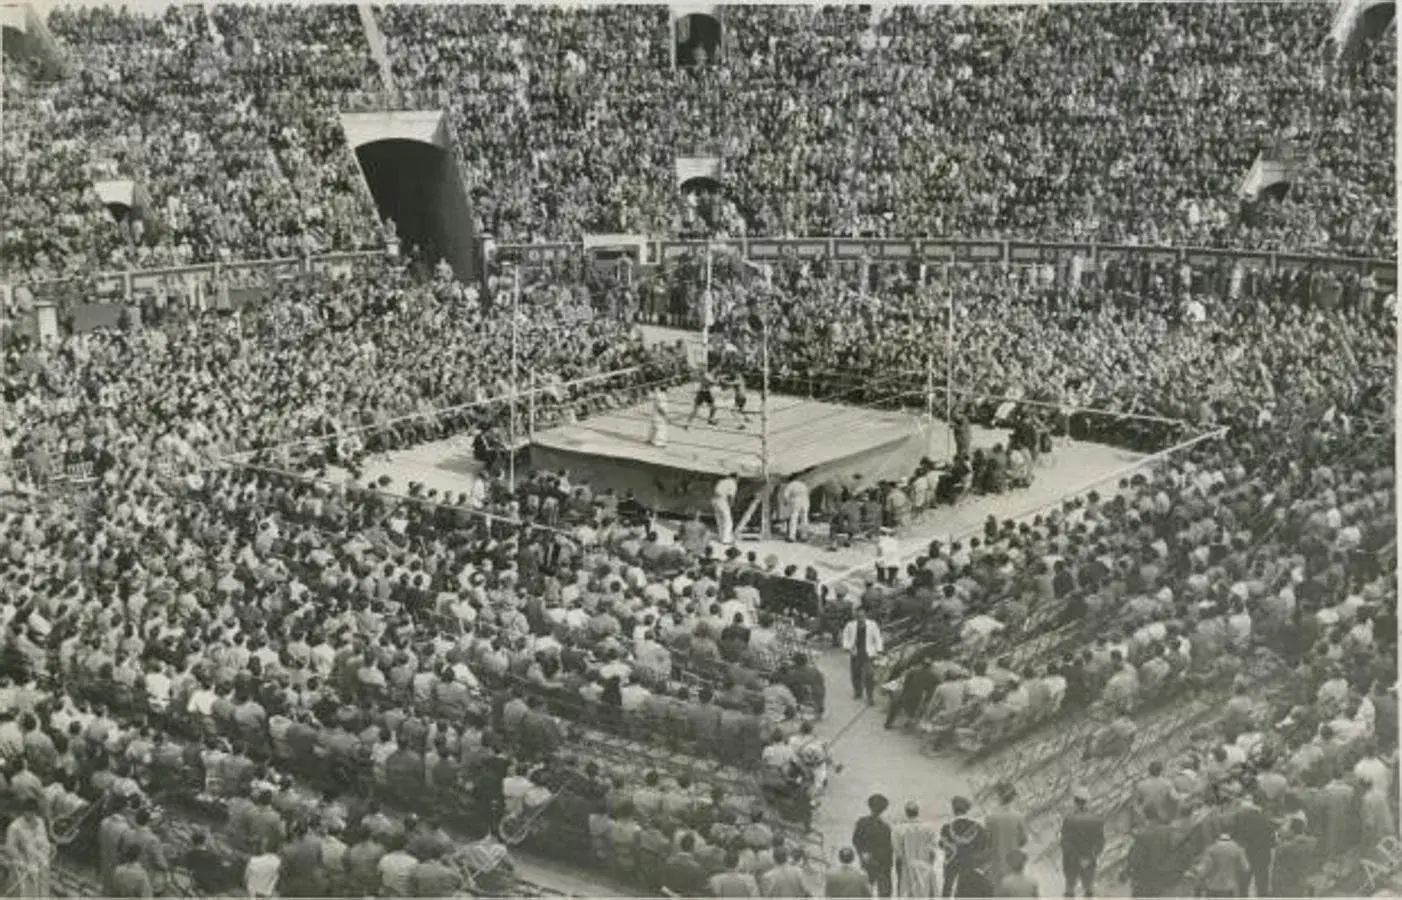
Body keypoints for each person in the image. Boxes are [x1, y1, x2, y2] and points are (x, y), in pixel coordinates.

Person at [940, 796, 990, 898]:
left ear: (953, 810)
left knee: (947, 890)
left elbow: (942, 845)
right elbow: (984, 847)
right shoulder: (978, 827)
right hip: (971, 868)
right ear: (967, 810)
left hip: (952, 867)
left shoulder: (946, 828)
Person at [1059, 787, 1104, 899]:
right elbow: (1100, 843)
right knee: (1089, 891)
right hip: (1089, 861)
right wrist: (1090, 857)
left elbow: (1065, 843)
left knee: (1069, 890)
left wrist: (1076, 857)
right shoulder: (1097, 820)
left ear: (1075, 802)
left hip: (1071, 861)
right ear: (1087, 802)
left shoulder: (1069, 819)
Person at [4, 796, 51, 898]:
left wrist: (44, 852)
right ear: (23, 811)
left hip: (40, 864)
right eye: (28, 811)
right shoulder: (15, 827)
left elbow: (45, 842)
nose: (30, 815)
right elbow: (10, 848)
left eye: (33, 812)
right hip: (22, 865)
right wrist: (24, 862)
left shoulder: (40, 822)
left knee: (43, 891)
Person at [892, 800, 940, 898]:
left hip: (907, 866)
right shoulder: (928, 828)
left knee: (908, 893)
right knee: (925, 892)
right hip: (924, 865)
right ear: (917, 812)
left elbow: (898, 852)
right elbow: (933, 850)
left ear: (906, 813)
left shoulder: (899, 829)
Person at [985, 782, 1028, 889]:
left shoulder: (990, 818)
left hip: (996, 862)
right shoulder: (1019, 817)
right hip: (1013, 862)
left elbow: (987, 841)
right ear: (1012, 798)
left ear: (999, 798)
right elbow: (1024, 840)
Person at [1125, 808, 1176, 898]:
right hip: (1161, 879)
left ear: (1147, 818)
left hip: (1144, 880)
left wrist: (1128, 870)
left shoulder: (1144, 835)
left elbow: (1135, 859)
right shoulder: (1169, 832)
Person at [853, 793, 895, 898]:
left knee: (866, 890)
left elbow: (856, 840)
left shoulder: (862, 823)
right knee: (884, 892)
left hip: (868, 860)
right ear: (884, 809)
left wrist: (862, 853)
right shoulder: (885, 827)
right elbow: (889, 848)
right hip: (882, 863)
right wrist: (889, 865)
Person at [841, 607, 884, 704]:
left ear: (865, 615)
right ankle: (858, 692)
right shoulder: (850, 625)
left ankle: (870, 696)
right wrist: (847, 646)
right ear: (855, 616)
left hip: (868, 653)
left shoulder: (872, 625)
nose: (860, 618)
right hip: (856, 653)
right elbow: (845, 636)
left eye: (862, 616)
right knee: (855, 674)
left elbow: (878, 637)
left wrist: (879, 650)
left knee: (869, 675)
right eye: (858, 616)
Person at [1269, 818, 1319, 899]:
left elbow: (1276, 858)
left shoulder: (1286, 847)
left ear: (1291, 830)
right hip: (1300, 879)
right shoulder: (1309, 843)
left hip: (1286, 882)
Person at [1193, 832, 1250, 899]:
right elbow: (1246, 867)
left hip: (1213, 887)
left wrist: (1196, 869)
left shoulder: (1212, 848)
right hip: (1230, 888)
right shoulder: (1237, 848)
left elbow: (1204, 870)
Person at [781, 474, 810, 542]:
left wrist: (786, 502)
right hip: (805, 501)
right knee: (804, 519)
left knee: (794, 518)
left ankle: (792, 536)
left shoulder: (791, 484)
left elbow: (785, 495)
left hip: (796, 501)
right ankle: (804, 536)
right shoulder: (803, 484)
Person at [713, 472, 739, 545]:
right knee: (728, 521)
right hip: (721, 500)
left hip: (715, 500)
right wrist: (730, 506)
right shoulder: (733, 483)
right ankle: (726, 540)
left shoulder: (721, 481)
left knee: (720, 520)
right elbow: (731, 497)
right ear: (736, 478)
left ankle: (721, 537)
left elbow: (716, 491)